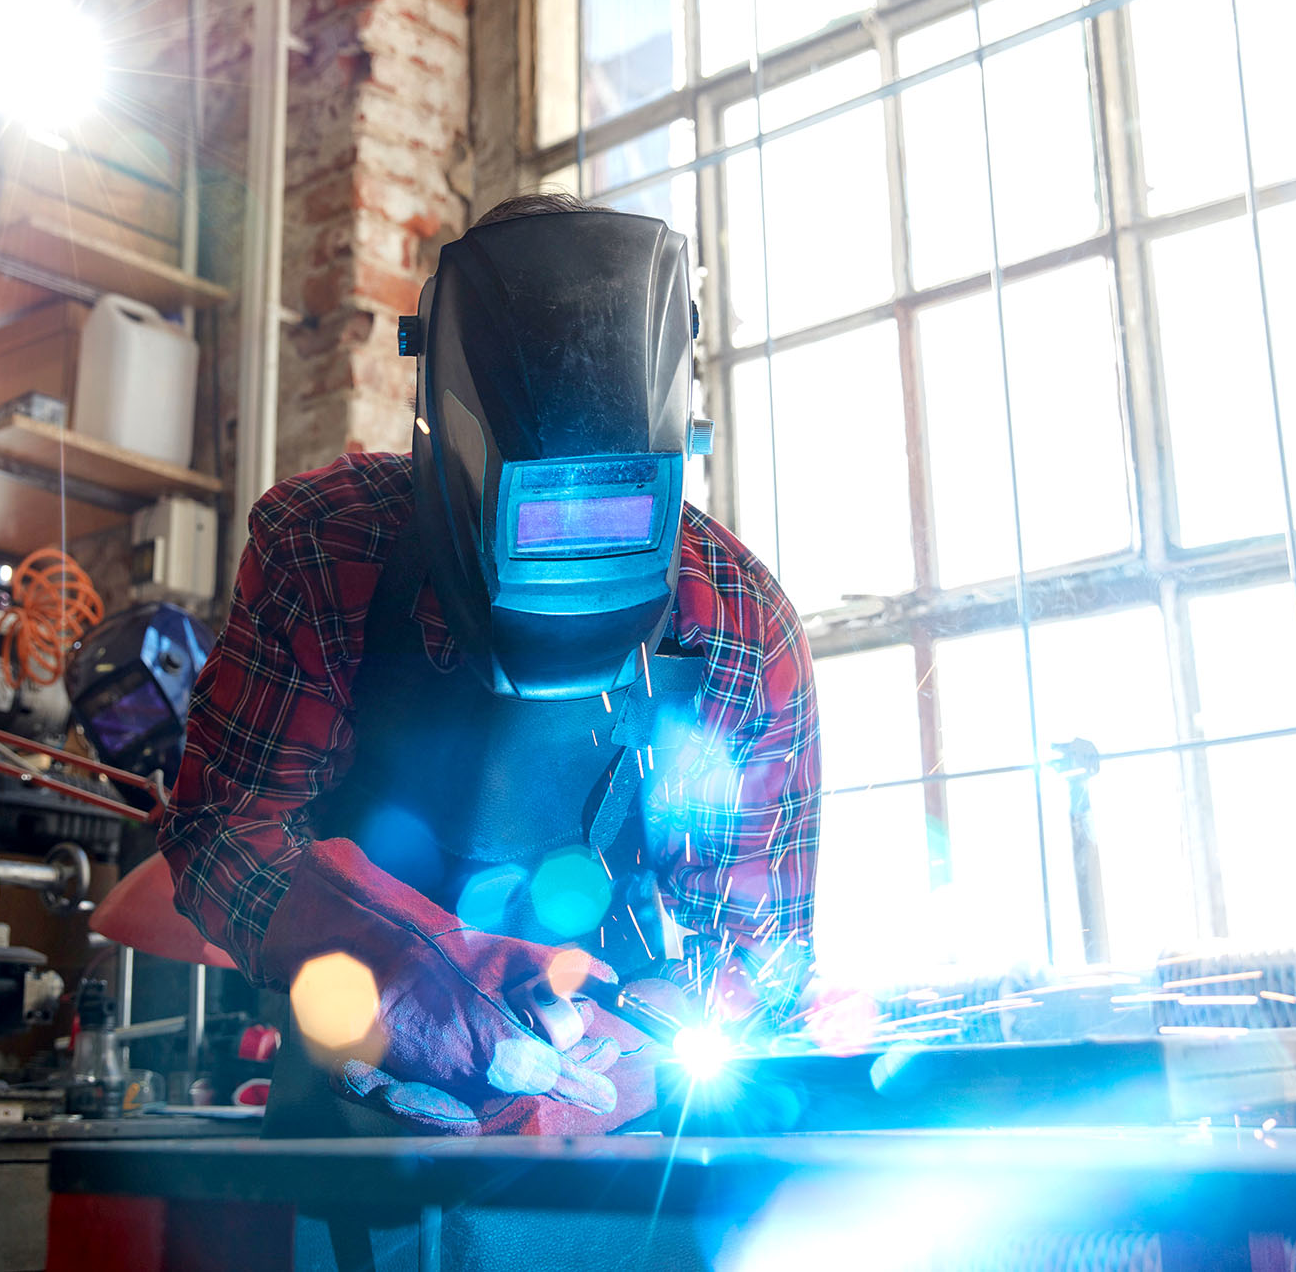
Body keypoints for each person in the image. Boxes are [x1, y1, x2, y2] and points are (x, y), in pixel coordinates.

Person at [99, 192, 820, 1135]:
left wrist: (638, 1042)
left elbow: (762, 949)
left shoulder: (735, 621)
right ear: (448, 426)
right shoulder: (328, 549)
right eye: (533, 527)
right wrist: (389, 961)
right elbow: (222, 830)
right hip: (358, 1078)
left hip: (611, 1108)